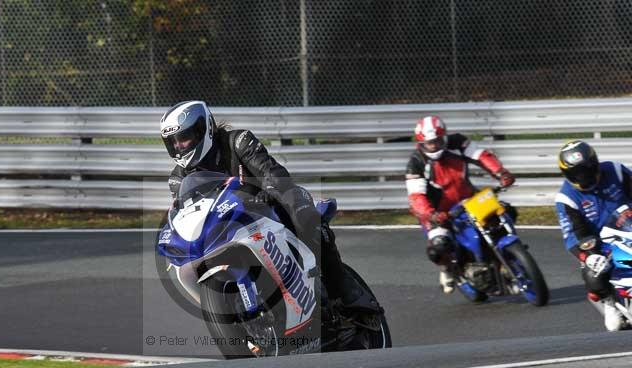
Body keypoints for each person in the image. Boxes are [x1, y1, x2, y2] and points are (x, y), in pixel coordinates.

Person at [159, 100, 358, 306]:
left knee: (303, 214)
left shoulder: (238, 142)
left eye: (183, 138)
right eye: (172, 142)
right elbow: (186, 214)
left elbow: (272, 172)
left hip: (267, 207)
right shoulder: (178, 179)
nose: (178, 146)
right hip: (229, 227)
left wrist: (270, 190)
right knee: (188, 266)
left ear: (203, 129)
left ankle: (344, 289)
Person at [405, 115, 517, 293]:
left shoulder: (458, 142)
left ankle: (508, 262)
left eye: (438, 140)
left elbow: (482, 156)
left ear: (444, 137)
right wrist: (431, 214)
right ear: (421, 143)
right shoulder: (416, 163)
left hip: (469, 200)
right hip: (438, 212)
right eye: (429, 143)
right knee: (439, 247)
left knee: (507, 212)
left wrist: (501, 173)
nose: (434, 145)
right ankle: (447, 269)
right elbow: (416, 197)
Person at [555, 140, 632, 331]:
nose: (584, 177)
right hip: (602, 244)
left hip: (629, 226)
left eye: (587, 170)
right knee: (593, 274)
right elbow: (573, 237)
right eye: (577, 173)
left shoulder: (616, 171)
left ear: (595, 164)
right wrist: (588, 257)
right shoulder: (566, 198)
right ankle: (609, 303)